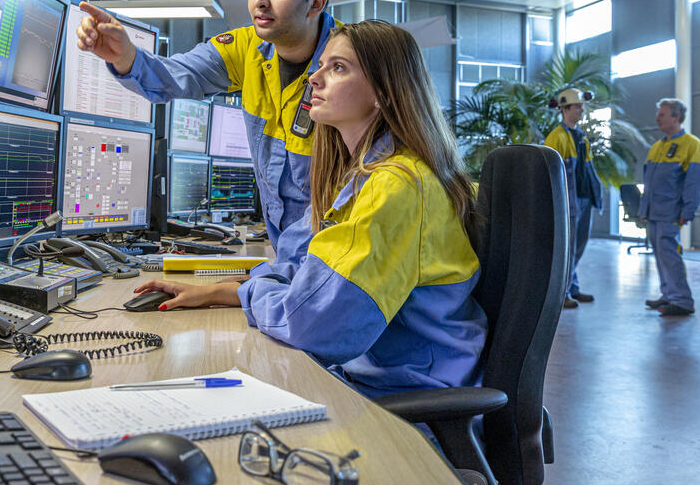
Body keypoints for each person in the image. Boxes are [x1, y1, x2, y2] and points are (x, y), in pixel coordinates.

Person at [132, 21, 487, 399]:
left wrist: (252, 292)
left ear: (383, 93)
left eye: (338, 68)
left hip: (408, 391)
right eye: (320, 66)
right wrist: (223, 292)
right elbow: (300, 265)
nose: (314, 78)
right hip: (372, 373)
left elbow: (312, 325)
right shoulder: (355, 178)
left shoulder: (397, 187)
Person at [75, 0, 339, 250]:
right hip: (288, 256)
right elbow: (176, 76)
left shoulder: (353, 65)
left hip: (337, 256)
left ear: (316, 3)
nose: (259, 1)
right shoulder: (246, 49)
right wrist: (126, 57)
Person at [641, 98, 700, 317]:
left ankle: (682, 300)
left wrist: (688, 211)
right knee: (660, 256)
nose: (657, 119)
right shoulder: (657, 147)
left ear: (676, 117)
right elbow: (649, 183)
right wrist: (643, 210)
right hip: (653, 213)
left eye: (662, 115)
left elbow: (695, 182)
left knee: (670, 256)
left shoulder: (692, 145)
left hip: (671, 213)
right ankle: (668, 295)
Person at [544, 88, 603, 309]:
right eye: (578, 107)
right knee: (569, 249)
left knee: (579, 246)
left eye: (581, 106)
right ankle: (563, 293)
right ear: (565, 109)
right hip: (569, 203)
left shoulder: (581, 137)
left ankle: (573, 287)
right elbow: (550, 174)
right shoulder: (556, 137)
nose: (581, 110)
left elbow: (587, 170)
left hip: (584, 198)